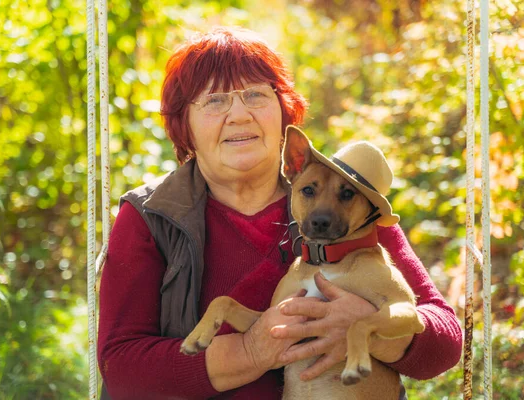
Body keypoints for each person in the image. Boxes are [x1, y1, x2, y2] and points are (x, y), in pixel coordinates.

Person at [97, 27, 462, 400]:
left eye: (255, 94)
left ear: (284, 111)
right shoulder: (151, 217)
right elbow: (122, 369)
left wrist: (368, 329)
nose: (239, 114)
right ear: (184, 125)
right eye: (214, 101)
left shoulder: (342, 203)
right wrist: (251, 350)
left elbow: (444, 344)